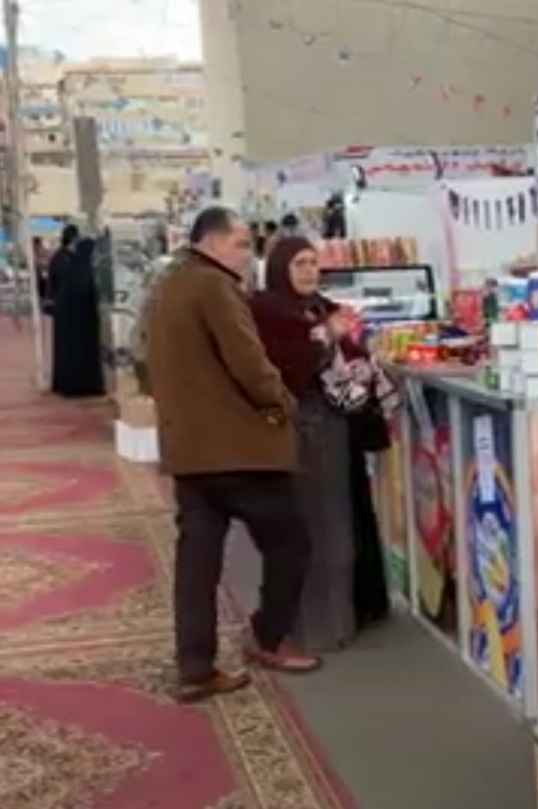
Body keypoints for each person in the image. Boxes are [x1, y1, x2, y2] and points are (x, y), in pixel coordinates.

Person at [143, 206, 321, 703]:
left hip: (189, 449)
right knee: (290, 544)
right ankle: (268, 637)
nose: (248, 255)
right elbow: (249, 362)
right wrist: (282, 405)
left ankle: (195, 666)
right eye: (241, 244)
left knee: (197, 565)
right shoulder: (215, 286)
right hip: (240, 450)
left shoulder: (166, 285)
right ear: (212, 242)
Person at [248, 236, 360, 651]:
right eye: (299, 263)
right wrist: (323, 338)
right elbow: (281, 371)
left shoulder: (321, 308)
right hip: (297, 428)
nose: (310, 270)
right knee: (307, 527)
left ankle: (339, 621)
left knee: (337, 524)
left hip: (332, 425)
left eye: (313, 262)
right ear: (280, 268)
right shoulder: (267, 312)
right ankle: (306, 627)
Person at [50, 236, 105, 398]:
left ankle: (70, 384)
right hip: (83, 326)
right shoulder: (85, 272)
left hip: (67, 323)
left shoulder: (70, 269)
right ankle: (86, 385)